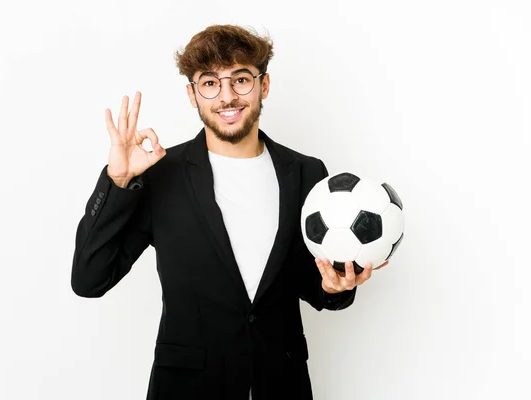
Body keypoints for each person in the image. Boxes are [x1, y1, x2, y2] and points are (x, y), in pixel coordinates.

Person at [71, 24, 387, 400]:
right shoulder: (160, 175)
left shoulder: (305, 172)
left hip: (281, 385)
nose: (227, 97)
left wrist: (336, 288)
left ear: (263, 85)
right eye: (209, 83)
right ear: (192, 95)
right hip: (189, 389)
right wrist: (117, 180)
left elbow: (312, 282)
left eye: (240, 79)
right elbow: (89, 280)